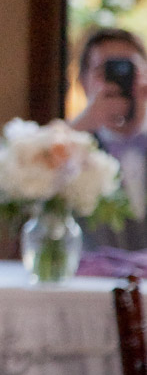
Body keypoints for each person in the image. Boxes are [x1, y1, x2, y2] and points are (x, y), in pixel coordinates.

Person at [70, 26, 147, 250]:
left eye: (129, 69)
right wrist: (84, 124)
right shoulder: (67, 148)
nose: (119, 80)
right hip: (88, 281)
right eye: (106, 70)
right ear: (83, 82)